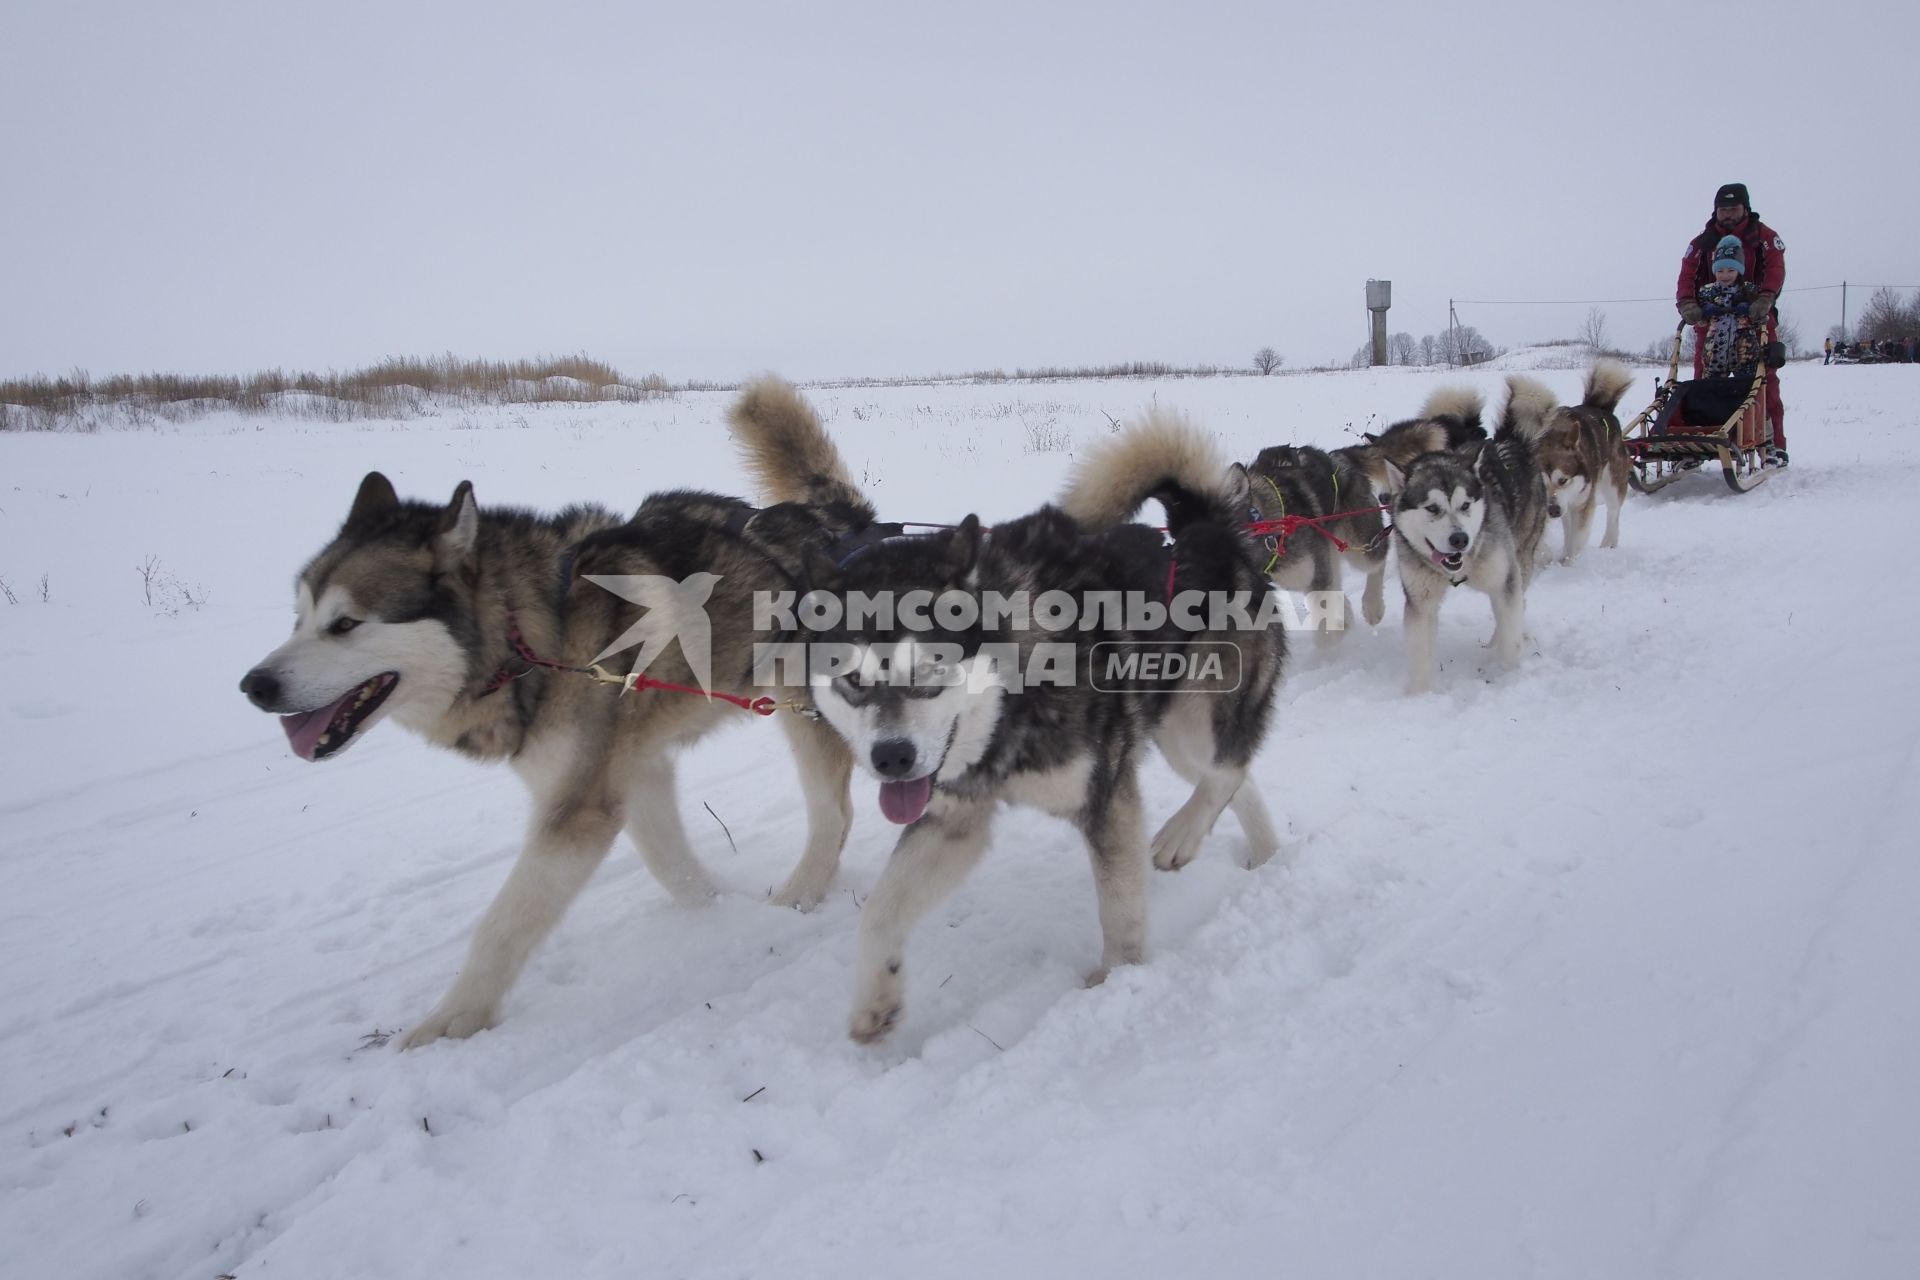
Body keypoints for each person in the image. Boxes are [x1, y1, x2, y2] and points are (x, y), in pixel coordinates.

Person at [1676, 182, 1788, 465]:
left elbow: (1775, 267)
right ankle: (1698, 442)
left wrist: (1765, 299)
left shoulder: (1763, 237)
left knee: (1762, 383)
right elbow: (1687, 274)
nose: (1727, 214)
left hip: (1755, 322)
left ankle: (1772, 443)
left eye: (1733, 209)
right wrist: (1688, 303)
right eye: (1722, 210)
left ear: (1745, 209)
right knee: (1704, 384)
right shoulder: (1702, 243)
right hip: (1712, 323)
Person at [1696, 235, 1762, 377]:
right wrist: (1703, 312)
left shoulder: (1749, 291)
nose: (1725, 275)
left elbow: (1761, 318)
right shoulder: (1708, 292)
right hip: (1714, 354)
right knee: (1712, 393)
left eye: (1731, 270)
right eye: (1720, 271)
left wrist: (1751, 311)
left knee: (1747, 391)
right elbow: (1700, 322)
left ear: (1739, 270)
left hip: (1745, 352)